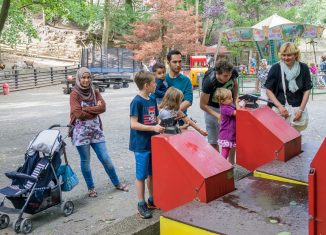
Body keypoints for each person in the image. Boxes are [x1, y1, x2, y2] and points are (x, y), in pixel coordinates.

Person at [70, 67, 128, 198]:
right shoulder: (74, 94)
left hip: (96, 131)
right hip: (81, 133)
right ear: (79, 78)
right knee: (85, 161)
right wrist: (95, 109)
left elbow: (103, 107)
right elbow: (78, 113)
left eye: (88, 77)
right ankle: (91, 188)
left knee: (106, 158)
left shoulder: (94, 91)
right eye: (83, 77)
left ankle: (117, 183)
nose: (86, 80)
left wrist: (87, 109)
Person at [129, 71, 165, 219]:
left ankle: (152, 199)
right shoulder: (136, 102)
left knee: (152, 173)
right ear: (146, 85)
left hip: (152, 144)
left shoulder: (152, 100)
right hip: (141, 145)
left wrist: (161, 123)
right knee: (141, 175)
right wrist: (153, 128)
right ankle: (141, 203)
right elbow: (133, 124)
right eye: (154, 82)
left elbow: (156, 118)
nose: (156, 84)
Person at [265, 42, 312, 131]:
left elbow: (307, 90)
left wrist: (301, 110)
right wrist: (279, 107)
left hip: (297, 108)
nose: (286, 58)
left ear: (296, 54)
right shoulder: (276, 68)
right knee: (279, 137)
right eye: (283, 55)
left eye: (289, 55)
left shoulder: (304, 68)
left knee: (295, 137)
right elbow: (268, 90)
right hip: (280, 108)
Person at [200, 59, 238, 158]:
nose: (228, 77)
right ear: (218, 73)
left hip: (229, 105)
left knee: (232, 137)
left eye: (229, 74)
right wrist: (218, 115)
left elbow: (235, 85)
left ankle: (230, 164)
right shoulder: (209, 82)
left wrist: (235, 101)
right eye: (225, 76)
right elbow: (202, 105)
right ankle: (217, 163)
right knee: (213, 138)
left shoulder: (232, 72)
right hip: (212, 107)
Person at [214, 88, 236, 161]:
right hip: (227, 133)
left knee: (227, 149)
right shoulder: (224, 108)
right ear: (222, 101)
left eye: (231, 97)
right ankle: (222, 163)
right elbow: (236, 113)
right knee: (225, 150)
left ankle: (223, 164)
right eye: (229, 98)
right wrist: (241, 105)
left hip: (230, 132)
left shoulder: (229, 105)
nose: (232, 99)